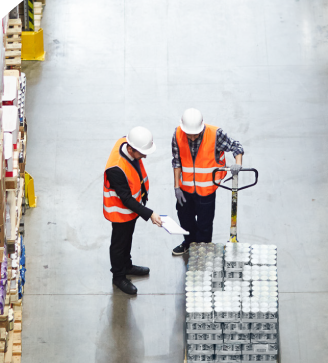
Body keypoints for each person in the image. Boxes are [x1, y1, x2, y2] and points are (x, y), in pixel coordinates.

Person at [171, 108, 244, 256]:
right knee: (185, 220)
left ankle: (203, 251)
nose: (192, 138)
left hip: (207, 190)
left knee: (204, 225)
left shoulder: (216, 135)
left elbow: (237, 147)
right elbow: (176, 162)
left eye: (195, 134)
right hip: (185, 189)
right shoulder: (178, 134)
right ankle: (189, 243)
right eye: (189, 135)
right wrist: (176, 187)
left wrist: (238, 163)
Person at [103, 126, 163, 295]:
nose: (144, 156)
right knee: (119, 243)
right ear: (130, 149)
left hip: (132, 210)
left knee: (127, 238)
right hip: (121, 211)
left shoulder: (126, 140)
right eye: (142, 153)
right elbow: (126, 199)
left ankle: (127, 265)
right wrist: (149, 213)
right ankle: (118, 276)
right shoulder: (116, 168)